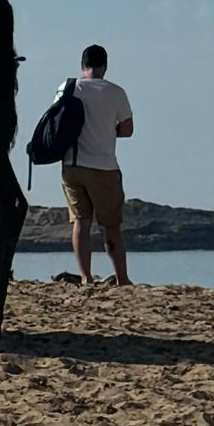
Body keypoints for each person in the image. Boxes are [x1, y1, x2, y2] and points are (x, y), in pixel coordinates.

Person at [62, 43, 134, 288]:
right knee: (111, 225)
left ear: (83, 65)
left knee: (81, 222)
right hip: (103, 166)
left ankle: (85, 277)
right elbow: (127, 129)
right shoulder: (116, 92)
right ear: (105, 66)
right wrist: (107, 130)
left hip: (72, 164)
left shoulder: (68, 88)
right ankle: (122, 279)